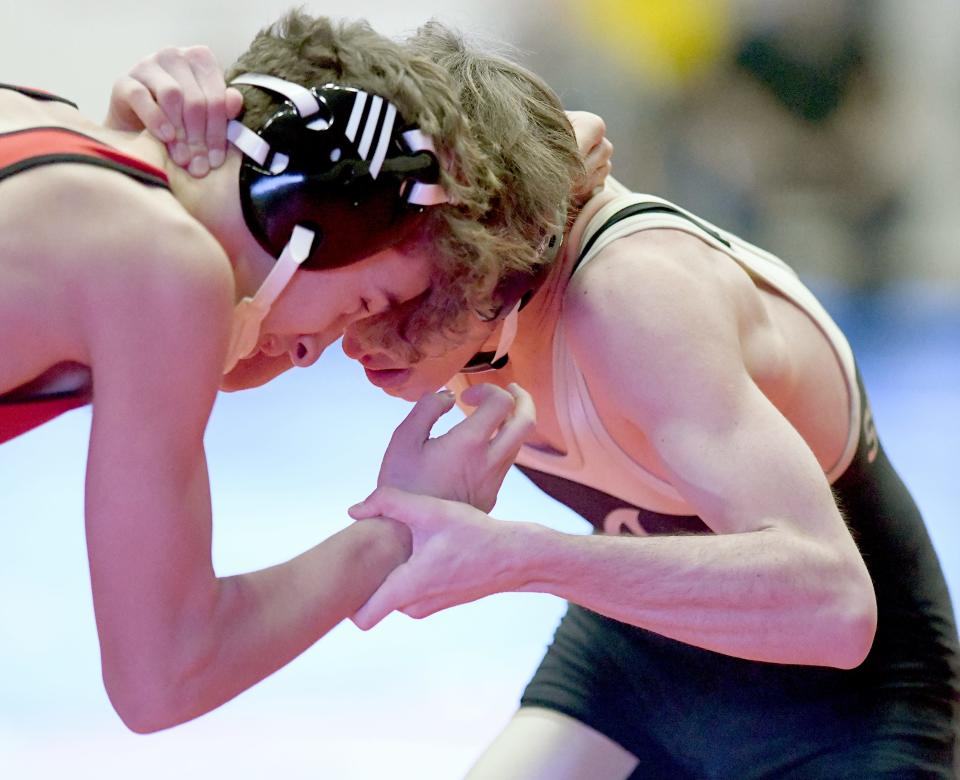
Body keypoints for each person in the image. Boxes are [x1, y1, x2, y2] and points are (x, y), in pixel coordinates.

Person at [118, 18, 959, 779]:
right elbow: (229, 351)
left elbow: (835, 607)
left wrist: (523, 555)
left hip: (850, 704)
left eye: (383, 304)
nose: (350, 342)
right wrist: (164, 162)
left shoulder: (635, 296)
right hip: (638, 660)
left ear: (478, 258)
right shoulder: (449, 265)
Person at [1, 12, 610, 734]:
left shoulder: (43, 114)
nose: (309, 350)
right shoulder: (165, 271)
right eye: (361, 302)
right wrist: (405, 524)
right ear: (300, 208)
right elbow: (165, 677)